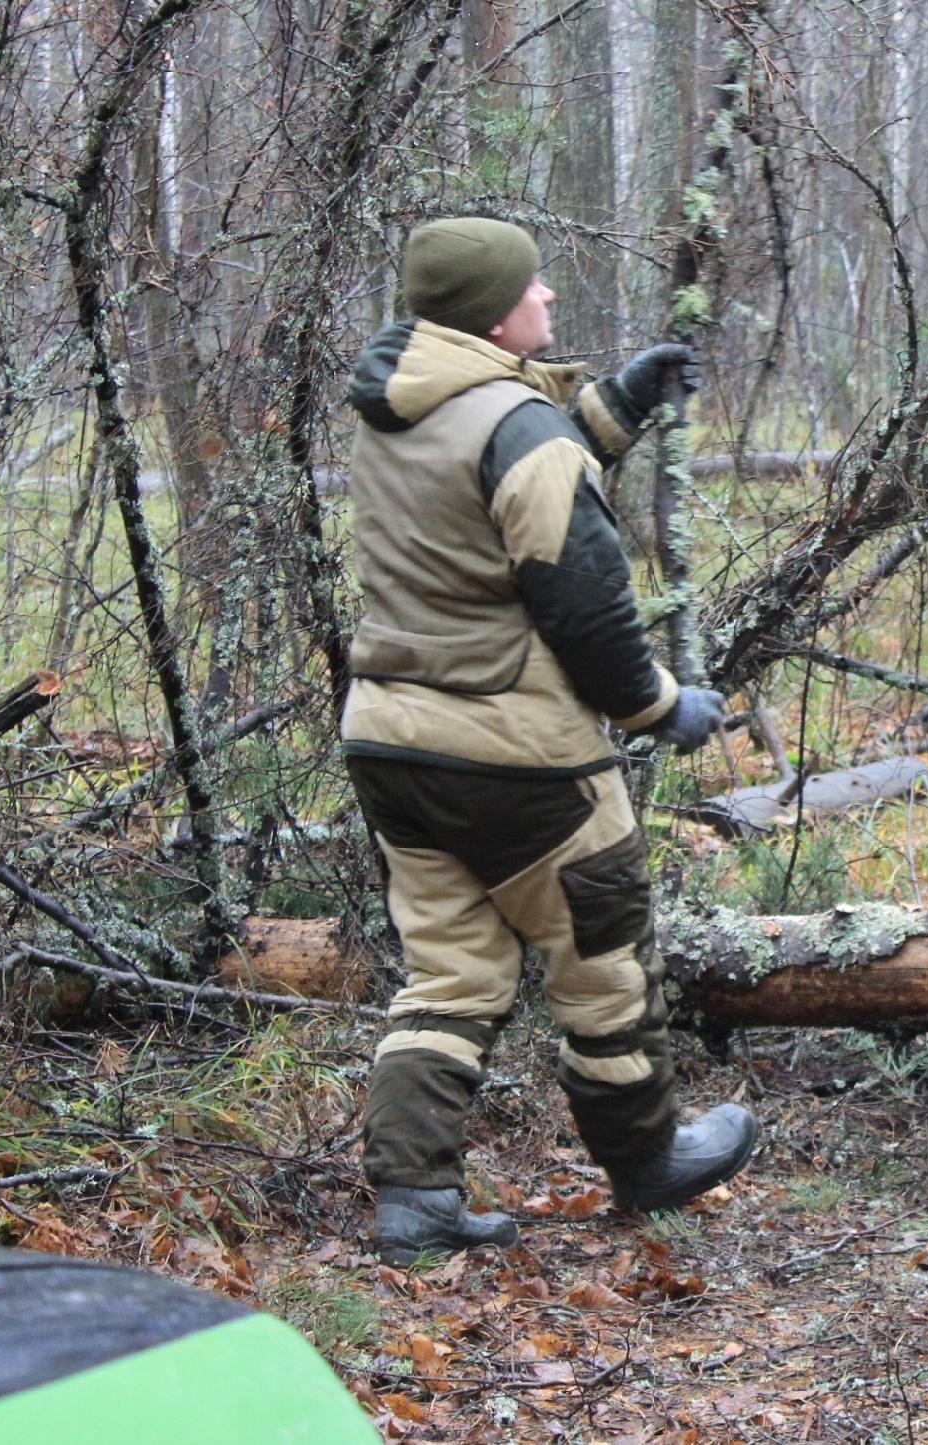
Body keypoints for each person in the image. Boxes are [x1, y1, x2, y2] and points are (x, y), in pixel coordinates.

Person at [340, 217, 759, 1266]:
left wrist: (612, 406)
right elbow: (584, 606)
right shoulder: (518, 429)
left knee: (446, 977)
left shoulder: (396, 407)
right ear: (494, 309)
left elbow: (486, 482)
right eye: (535, 287)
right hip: (520, 754)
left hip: (392, 740)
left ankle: (416, 1206)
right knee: (604, 963)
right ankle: (646, 1159)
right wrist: (664, 708)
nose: (551, 300)